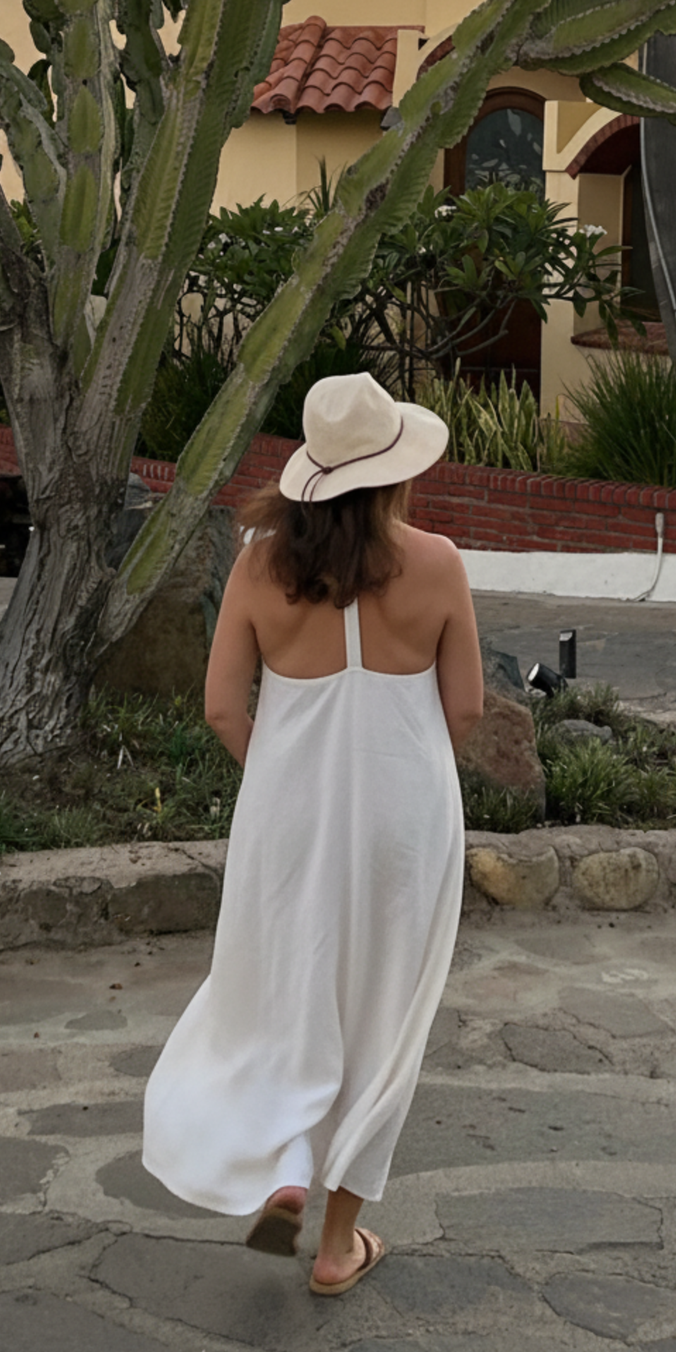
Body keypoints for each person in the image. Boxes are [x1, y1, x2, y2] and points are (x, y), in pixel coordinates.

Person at [142, 371, 483, 1296]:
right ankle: (337, 1246)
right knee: (383, 1011)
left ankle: (285, 1162)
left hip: (286, 820)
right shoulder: (441, 562)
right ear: (395, 471)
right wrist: (398, 775)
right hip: (407, 822)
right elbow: (466, 708)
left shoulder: (256, 566)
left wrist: (290, 781)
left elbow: (220, 708)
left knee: (282, 991)